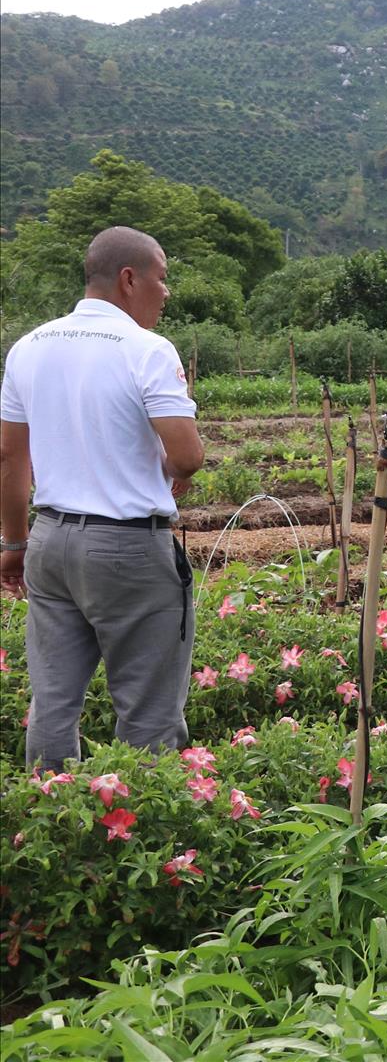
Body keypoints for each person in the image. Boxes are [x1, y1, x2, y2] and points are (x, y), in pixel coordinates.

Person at [2, 227, 206, 769]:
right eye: (162, 277)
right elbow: (187, 456)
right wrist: (171, 469)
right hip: (127, 548)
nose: (166, 291)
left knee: (53, 702)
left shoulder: (29, 348)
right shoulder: (147, 350)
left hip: (50, 541)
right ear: (129, 279)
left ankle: (47, 807)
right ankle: (143, 812)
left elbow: (9, 457)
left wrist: (15, 544)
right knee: (148, 711)